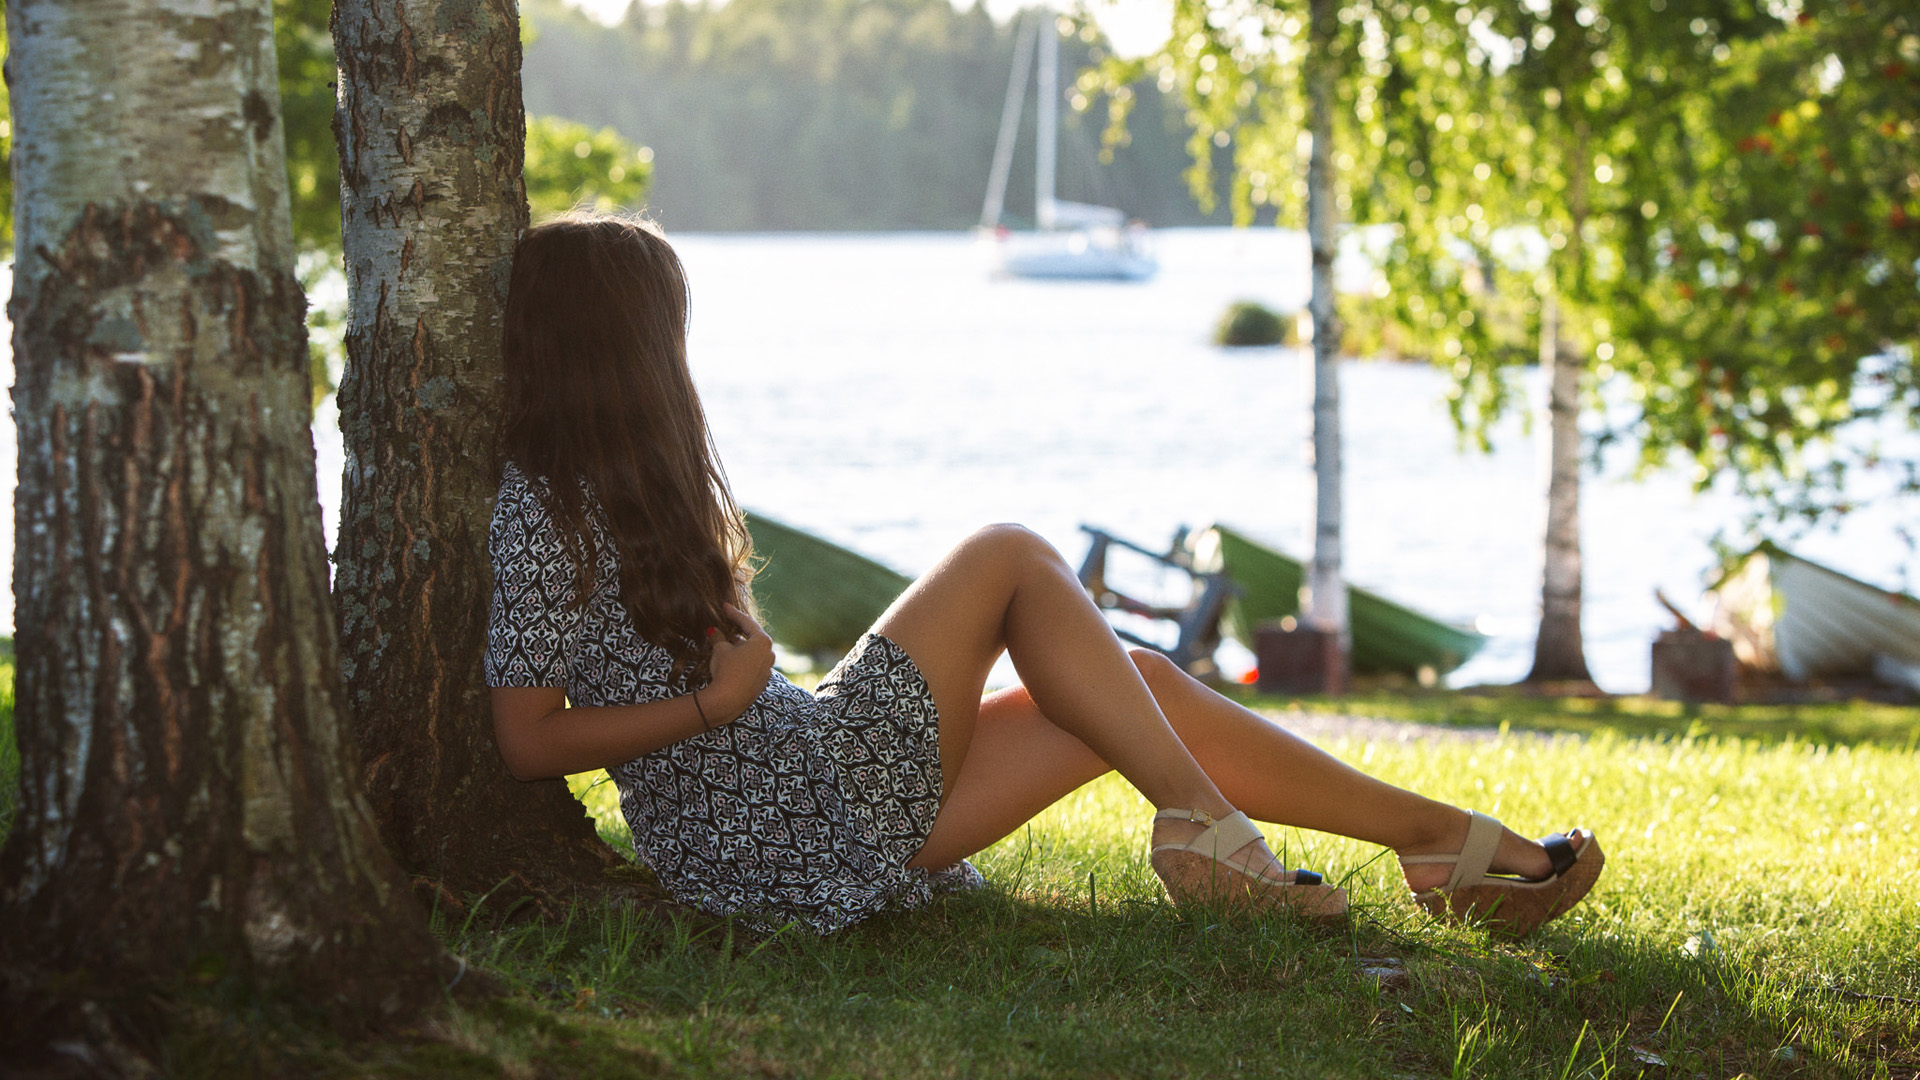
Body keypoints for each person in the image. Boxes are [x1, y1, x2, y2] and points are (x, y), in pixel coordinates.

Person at [485, 212, 1604, 936]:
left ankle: (1437, 845)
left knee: (1137, 684)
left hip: (816, 795)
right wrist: (709, 702)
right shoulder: (536, 510)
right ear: (624, 347)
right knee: (1011, 554)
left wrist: (734, 692)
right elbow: (526, 740)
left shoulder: (634, 488)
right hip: (790, 825)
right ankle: (1213, 840)